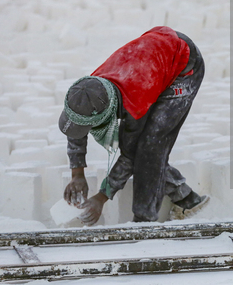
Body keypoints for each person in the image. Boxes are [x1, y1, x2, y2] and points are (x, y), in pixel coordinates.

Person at [59, 26, 209, 225]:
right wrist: (77, 174)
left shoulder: (134, 106)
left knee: (150, 148)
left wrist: (102, 197)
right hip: (151, 57)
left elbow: (130, 155)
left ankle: (144, 222)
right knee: (141, 145)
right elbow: (77, 121)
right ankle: (187, 199)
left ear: (105, 115)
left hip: (183, 64)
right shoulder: (88, 89)